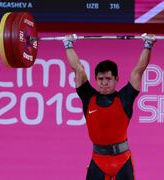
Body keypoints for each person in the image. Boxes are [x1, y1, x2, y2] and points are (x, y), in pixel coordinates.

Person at [63, 33, 155, 180]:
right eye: (100, 79)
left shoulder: (125, 97)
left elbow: (139, 69)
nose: (104, 83)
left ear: (116, 79)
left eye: (108, 79)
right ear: (96, 79)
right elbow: (78, 69)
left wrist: (148, 45)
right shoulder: (88, 97)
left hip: (122, 160)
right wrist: (68, 45)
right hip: (98, 160)